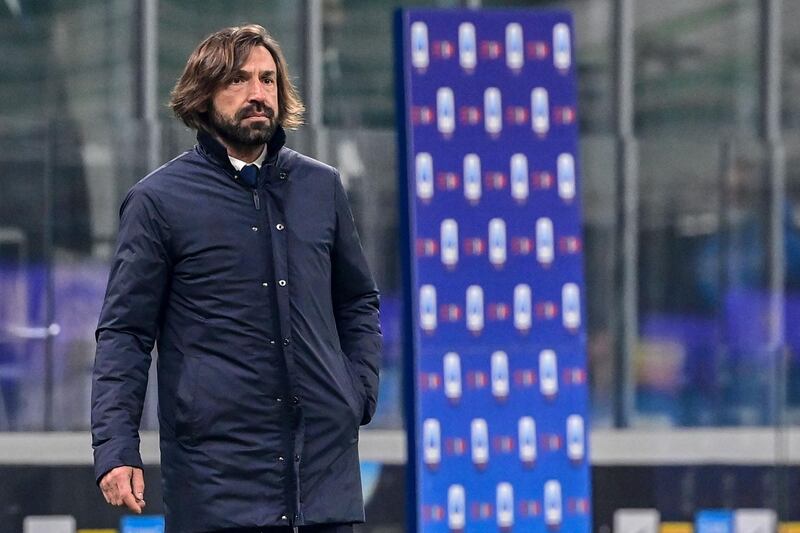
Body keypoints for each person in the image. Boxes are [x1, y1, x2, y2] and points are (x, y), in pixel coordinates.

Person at [91, 24, 382, 533]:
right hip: (217, 487)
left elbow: (357, 301)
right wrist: (116, 447)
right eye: (238, 81)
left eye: (268, 81)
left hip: (323, 482)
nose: (257, 95)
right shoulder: (158, 201)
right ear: (202, 97)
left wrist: (355, 391)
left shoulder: (322, 188)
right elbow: (126, 333)